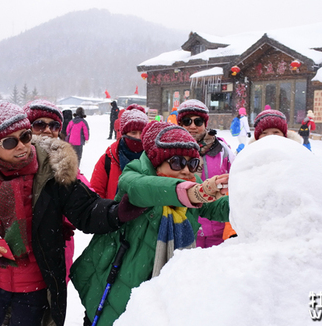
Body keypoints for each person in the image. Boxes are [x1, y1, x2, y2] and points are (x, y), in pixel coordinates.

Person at [0, 98, 144, 326]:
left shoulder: (51, 172)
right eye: (10, 142)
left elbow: (86, 210)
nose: (21, 146)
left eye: (25, 136)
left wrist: (118, 211)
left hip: (36, 290)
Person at [71, 121, 230, 326]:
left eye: (192, 164)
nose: (185, 171)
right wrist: (192, 192)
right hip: (116, 283)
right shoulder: (134, 176)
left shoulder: (193, 187)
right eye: (177, 162)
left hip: (157, 291)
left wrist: (250, 199)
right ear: (156, 162)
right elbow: (143, 189)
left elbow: (219, 207)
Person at [23, 99, 85, 284]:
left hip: (57, 243)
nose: (48, 130)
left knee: (54, 299)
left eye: (54, 125)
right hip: (23, 247)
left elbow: (85, 195)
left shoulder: (65, 162)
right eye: (39, 124)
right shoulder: (16, 158)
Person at [177, 99, 236, 247]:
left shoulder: (222, 150)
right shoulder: (171, 152)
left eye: (198, 121)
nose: (192, 126)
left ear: (205, 124)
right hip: (184, 226)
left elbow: (236, 182)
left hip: (218, 227)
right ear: (179, 124)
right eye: (186, 121)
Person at [91, 104, 149, 199]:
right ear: (124, 133)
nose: (138, 137)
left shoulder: (153, 158)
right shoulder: (108, 159)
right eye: (133, 133)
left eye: (142, 132)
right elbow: (95, 193)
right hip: (113, 211)